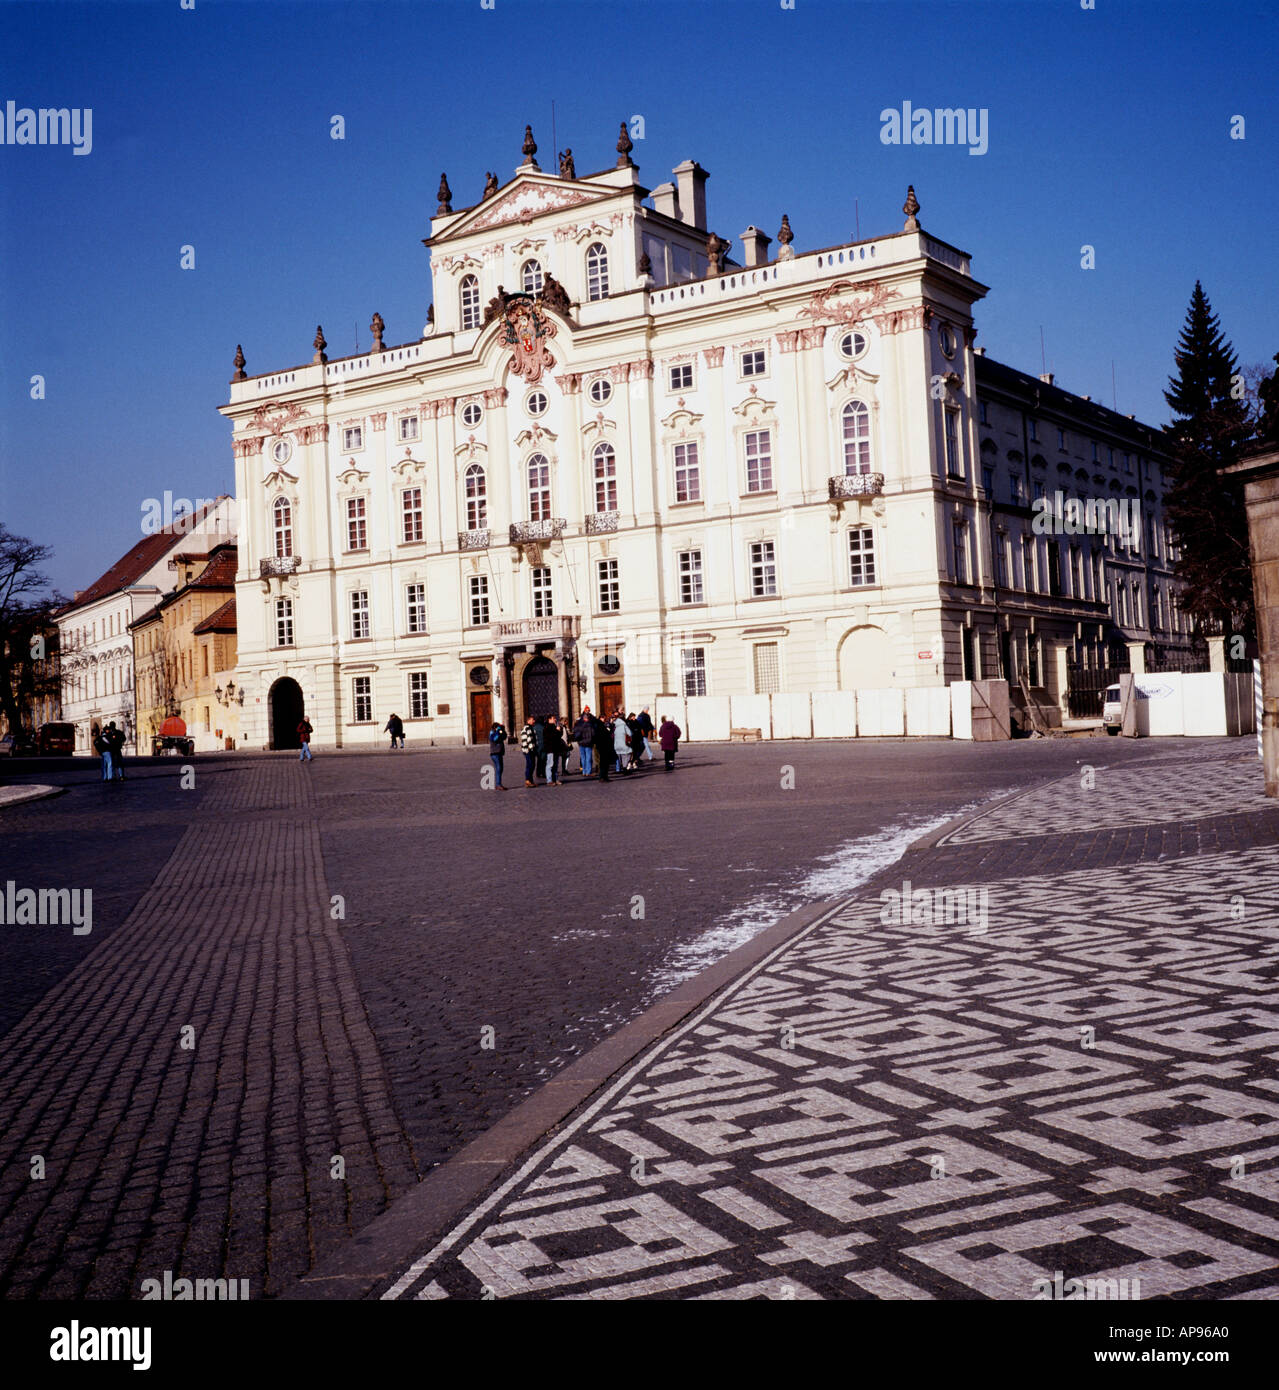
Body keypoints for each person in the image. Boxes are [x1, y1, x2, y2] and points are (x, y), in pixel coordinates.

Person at [543, 715, 566, 786]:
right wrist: (557, 731)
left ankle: (555, 779)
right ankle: (549, 780)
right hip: (550, 749)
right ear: (549, 719)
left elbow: (558, 736)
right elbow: (551, 737)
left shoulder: (554, 726)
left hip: (556, 749)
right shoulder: (546, 727)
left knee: (555, 765)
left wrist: (559, 730)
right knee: (550, 764)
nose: (555, 720)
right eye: (553, 718)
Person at [590, 710, 612, 782]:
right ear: (600, 718)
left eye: (604, 718)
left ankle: (604, 776)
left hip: (602, 745)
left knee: (604, 762)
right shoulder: (599, 725)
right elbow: (603, 735)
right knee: (604, 762)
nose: (604, 719)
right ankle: (603, 777)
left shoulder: (600, 725)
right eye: (603, 718)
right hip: (603, 745)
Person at [487, 720, 509, 790]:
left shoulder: (498, 732)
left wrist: (503, 730)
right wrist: (498, 731)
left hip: (499, 753)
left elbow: (505, 737)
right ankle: (498, 784)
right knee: (499, 768)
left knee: (500, 769)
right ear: (495, 727)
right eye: (498, 727)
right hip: (495, 753)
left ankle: (498, 784)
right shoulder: (492, 733)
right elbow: (495, 739)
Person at [572, 709, 594, 778]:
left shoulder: (578, 724)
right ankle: (588, 772)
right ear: (586, 718)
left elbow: (574, 732)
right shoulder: (590, 724)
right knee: (588, 757)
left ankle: (584, 771)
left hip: (581, 743)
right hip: (588, 742)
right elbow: (593, 733)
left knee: (583, 757)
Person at [520, 714, 539, 787]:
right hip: (528, 750)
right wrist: (526, 749)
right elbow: (524, 740)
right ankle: (527, 780)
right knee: (529, 765)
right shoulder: (526, 728)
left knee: (533, 765)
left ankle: (530, 780)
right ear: (529, 720)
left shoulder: (532, 728)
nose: (534, 721)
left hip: (532, 749)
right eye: (532, 719)